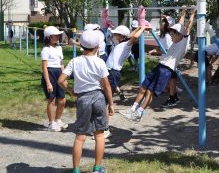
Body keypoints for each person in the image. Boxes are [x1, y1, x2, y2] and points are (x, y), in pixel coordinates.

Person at [121, 8, 196, 120]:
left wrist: (193, 13)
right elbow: (180, 24)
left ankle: (139, 112)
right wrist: (183, 12)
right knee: (143, 87)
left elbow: (188, 26)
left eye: (173, 34)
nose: (171, 36)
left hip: (166, 70)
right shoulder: (176, 41)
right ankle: (132, 109)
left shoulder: (183, 42)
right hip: (160, 66)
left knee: (150, 91)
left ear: (180, 35)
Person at [58, 30, 113, 173]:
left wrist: (71, 91)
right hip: (99, 97)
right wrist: (111, 104)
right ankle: (97, 168)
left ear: (81, 46)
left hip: (83, 99)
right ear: (97, 47)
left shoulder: (75, 61)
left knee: (80, 136)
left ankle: (76, 170)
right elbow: (106, 85)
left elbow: (60, 80)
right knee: (99, 135)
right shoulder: (100, 62)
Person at [106, 24, 150, 103]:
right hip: (110, 69)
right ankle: (110, 103)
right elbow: (129, 35)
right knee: (108, 90)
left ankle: (108, 106)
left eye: (116, 34)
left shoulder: (126, 45)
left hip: (113, 70)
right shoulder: (121, 42)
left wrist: (142, 29)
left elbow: (134, 37)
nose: (114, 35)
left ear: (120, 35)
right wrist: (138, 28)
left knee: (108, 92)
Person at [41, 26, 68, 132]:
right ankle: (51, 123)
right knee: (51, 100)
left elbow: (61, 63)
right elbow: (44, 67)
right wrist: (48, 83)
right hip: (50, 74)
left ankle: (58, 120)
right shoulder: (46, 50)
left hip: (59, 73)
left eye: (58, 35)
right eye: (55, 36)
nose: (57, 37)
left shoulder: (59, 48)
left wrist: (64, 76)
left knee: (62, 100)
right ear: (48, 37)